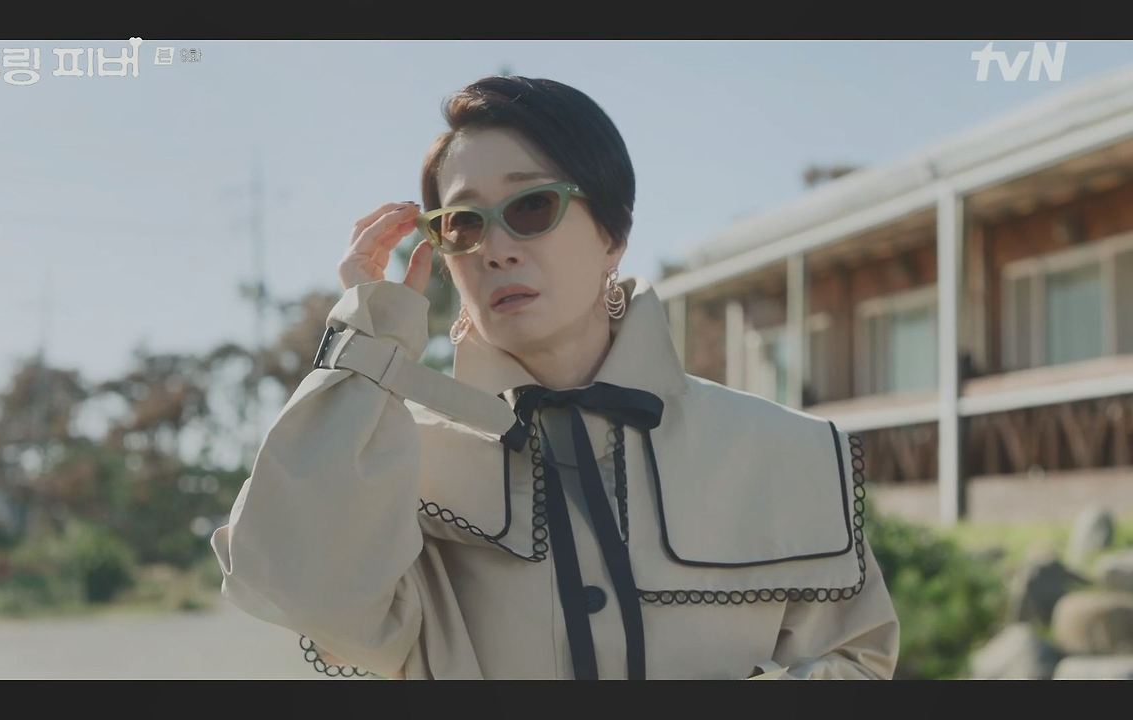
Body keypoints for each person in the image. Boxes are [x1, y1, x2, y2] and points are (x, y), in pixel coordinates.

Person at [210, 75, 899, 680]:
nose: (495, 250)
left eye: (531, 207)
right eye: (463, 224)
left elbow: (856, 659)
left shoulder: (780, 451)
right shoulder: (397, 461)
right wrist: (366, 341)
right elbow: (291, 587)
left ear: (612, 234)